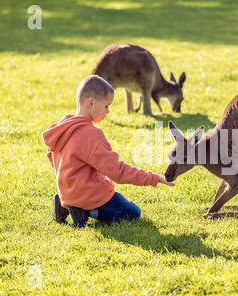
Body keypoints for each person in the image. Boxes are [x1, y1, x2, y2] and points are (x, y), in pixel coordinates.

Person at [42, 75, 174, 227]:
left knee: (115, 201)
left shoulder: (63, 127)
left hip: (67, 192)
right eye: (106, 106)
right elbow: (117, 171)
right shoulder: (91, 135)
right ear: (91, 103)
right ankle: (84, 212)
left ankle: (65, 204)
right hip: (90, 196)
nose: (108, 111)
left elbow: (51, 156)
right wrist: (151, 178)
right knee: (133, 212)